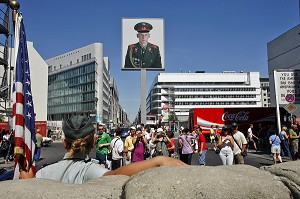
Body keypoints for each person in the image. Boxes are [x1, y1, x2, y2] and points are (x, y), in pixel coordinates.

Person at [19, 115, 187, 183]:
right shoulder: (88, 170)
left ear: (64, 143)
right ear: (93, 143)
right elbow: (114, 175)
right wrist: (159, 161)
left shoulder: (42, 173)